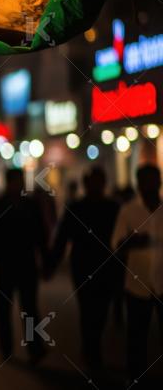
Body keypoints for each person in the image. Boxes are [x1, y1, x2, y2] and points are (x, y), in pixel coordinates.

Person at [47, 166, 120, 370]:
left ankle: (92, 346)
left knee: (101, 309)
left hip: (104, 265)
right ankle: (90, 348)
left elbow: (122, 239)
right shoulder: (77, 208)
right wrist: (52, 264)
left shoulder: (113, 208)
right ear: (86, 184)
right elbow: (62, 238)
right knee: (88, 308)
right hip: (83, 265)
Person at [0, 168, 48, 364]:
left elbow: (40, 235)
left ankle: (34, 347)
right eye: (15, 181)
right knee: (3, 308)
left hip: (27, 264)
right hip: (4, 265)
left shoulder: (31, 205)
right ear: (8, 182)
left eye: (20, 181)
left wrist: (45, 260)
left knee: (29, 309)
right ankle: (6, 348)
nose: (18, 185)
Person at [111, 164, 163, 387]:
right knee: (136, 338)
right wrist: (134, 241)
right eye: (145, 181)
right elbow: (116, 244)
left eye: (154, 180)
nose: (150, 186)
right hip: (137, 284)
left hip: (162, 282)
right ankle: (135, 378)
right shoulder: (128, 210)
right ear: (138, 184)